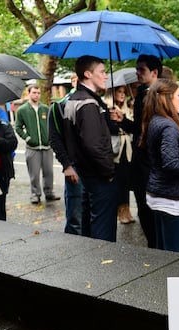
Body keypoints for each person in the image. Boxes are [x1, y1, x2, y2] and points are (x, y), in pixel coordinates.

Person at [63, 55, 118, 242]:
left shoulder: (75, 99)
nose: (105, 76)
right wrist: (109, 171)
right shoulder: (88, 104)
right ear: (87, 74)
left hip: (86, 173)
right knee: (103, 230)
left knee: (89, 225)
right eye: (102, 72)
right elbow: (93, 145)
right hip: (98, 175)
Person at [111, 54, 163, 248]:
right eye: (137, 68)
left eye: (141, 69)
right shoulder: (141, 93)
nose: (137, 73)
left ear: (154, 72)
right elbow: (139, 128)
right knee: (143, 206)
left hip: (153, 162)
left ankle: (159, 245)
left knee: (152, 206)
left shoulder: (162, 95)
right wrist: (123, 120)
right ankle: (153, 244)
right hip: (139, 161)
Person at [141, 78, 179, 252]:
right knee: (172, 255)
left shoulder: (155, 121)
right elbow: (171, 162)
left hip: (158, 194)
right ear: (167, 99)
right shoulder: (169, 127)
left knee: (162, 252)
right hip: (170, 199)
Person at [49, 74, 85, 235]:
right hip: (74, 166)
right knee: (75, 213)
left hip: (92, 167)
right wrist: (67, 165)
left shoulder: (93, 103)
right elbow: (54, 138)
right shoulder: (60, 106)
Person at [15, 85, 59, 205]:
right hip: (32, 148)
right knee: (34, 174)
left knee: (49, 172)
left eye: (38, 93)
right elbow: (18, 127)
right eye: (34, 92)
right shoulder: (22, 110)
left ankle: (49, 193)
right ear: (29, 93)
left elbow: (51, 125)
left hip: (47, 147)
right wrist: (27, 138)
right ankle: (35, 194)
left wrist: (50, 138)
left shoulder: (45, 108)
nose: (36, 95)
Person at [106, 85, 135, 224]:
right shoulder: (108, 108)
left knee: (127, 180)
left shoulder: (127, 109)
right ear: (112, 93)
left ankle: (126, 210)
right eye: (119, 91)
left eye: (124, 92)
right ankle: (120, 211)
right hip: (116, 149)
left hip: (128, 148)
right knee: (119, 181)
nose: (122, 95)